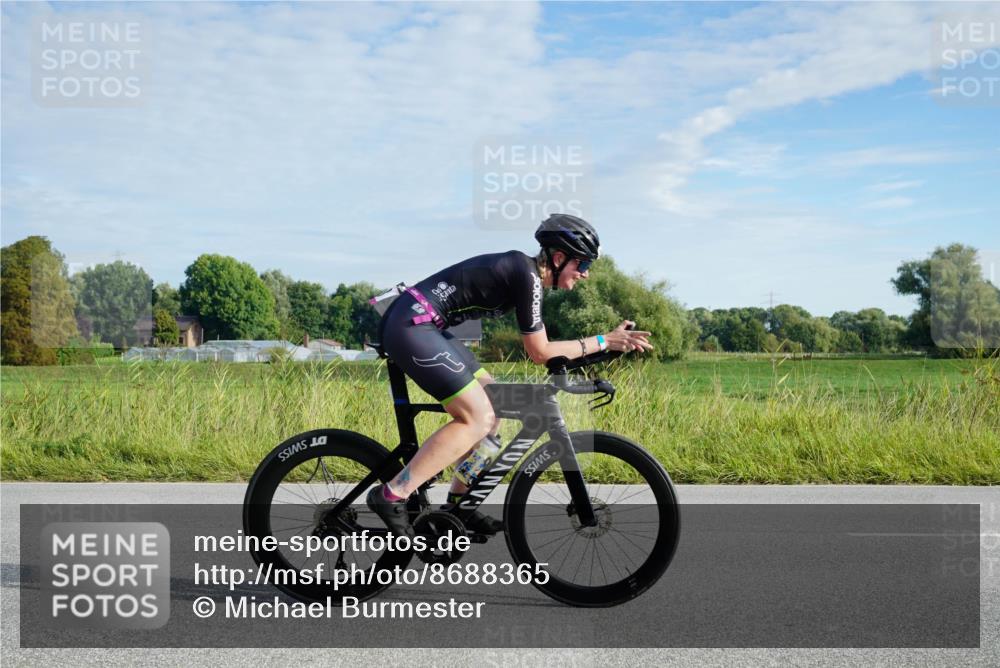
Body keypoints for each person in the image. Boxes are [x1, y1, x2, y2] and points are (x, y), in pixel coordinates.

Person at [367, 214, 653, 537]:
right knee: (477, 416)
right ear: (558, 259)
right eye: (582, 265)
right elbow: (540, 352)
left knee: (495, 411)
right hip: (412, 324)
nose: (585, 275)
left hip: (427, 325)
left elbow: (548, 352)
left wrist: (605, 346)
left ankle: (459, 503)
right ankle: (392, 492)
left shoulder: (527, 277)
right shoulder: (526, 275)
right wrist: (603, 341)